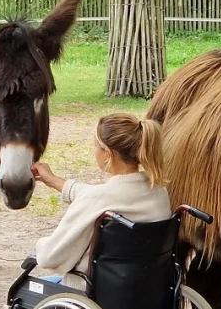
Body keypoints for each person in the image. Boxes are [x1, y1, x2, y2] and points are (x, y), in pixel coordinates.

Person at [30, 112, 172, 291]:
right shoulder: (160, 193)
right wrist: (55, 181)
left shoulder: (98, 199)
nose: (94, 150)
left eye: (96, 146)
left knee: (27, 290)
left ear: (108, 154)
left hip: (94, 292)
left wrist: (40, 245)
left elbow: (49, 257)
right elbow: (101, 196)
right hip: (145, 291)